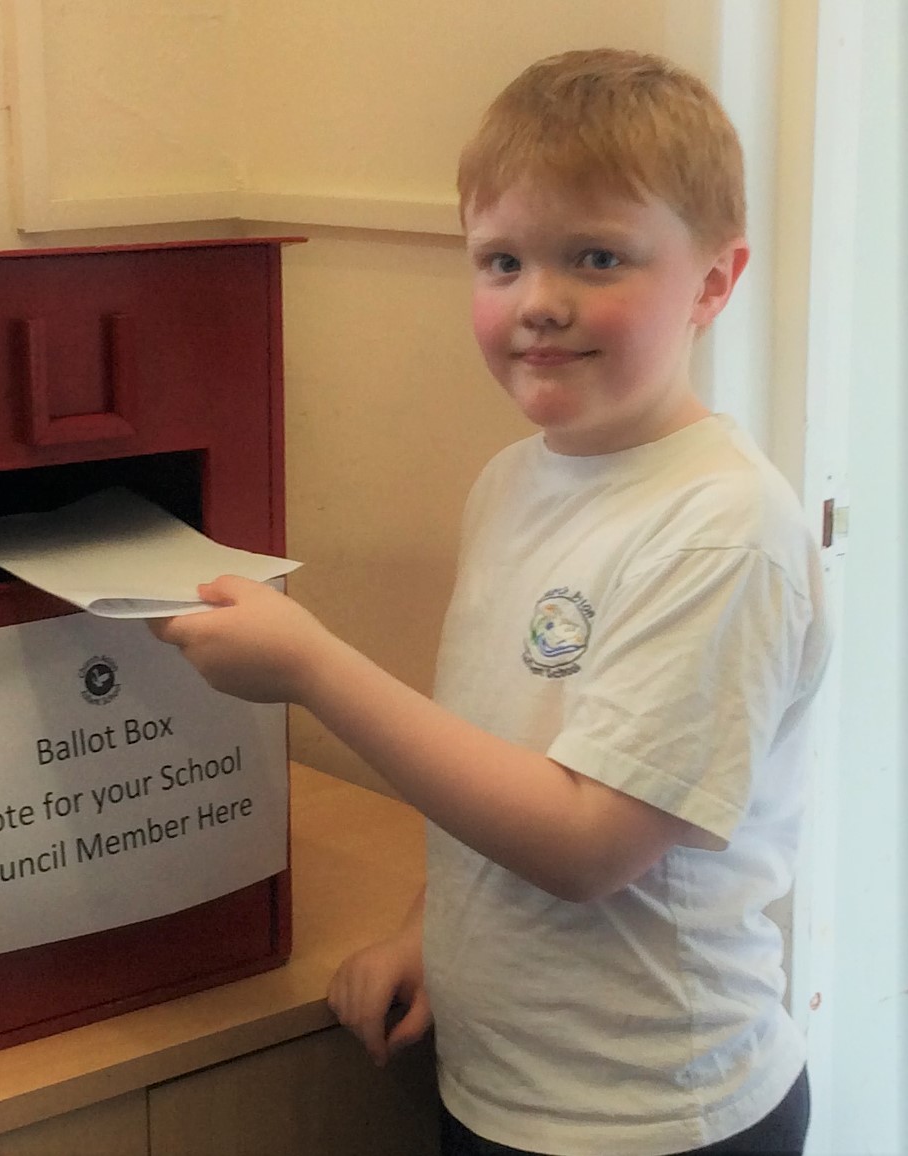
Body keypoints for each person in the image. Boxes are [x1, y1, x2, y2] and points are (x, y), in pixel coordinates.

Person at [149, 47, 829, 1156]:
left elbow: (583, 844)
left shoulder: (722, 529)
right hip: (499, 1081)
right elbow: (497, 751)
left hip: (652, 1118)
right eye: (500, 261)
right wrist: (428, 933)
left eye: (595, 257)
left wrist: (313, 670)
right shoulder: (515, 481)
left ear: (712, 281)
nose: (539, 304)